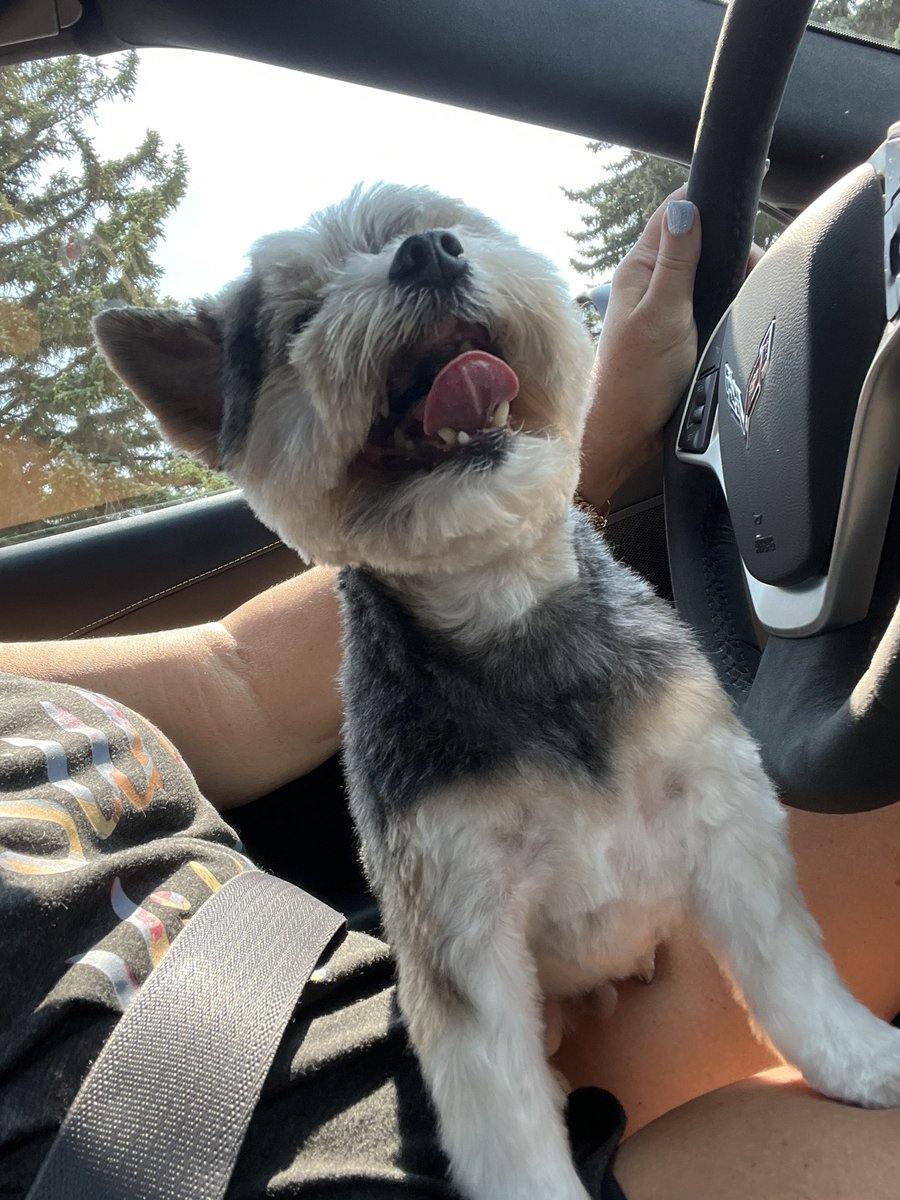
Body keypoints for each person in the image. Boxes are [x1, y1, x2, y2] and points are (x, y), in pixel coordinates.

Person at [2, 192, 899, 1199]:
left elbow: (236, 677)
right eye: (302, 324)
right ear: (227, 418)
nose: (423, 257)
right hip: (279, 1144)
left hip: (336, 970)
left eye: (433, 236)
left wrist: (598, 422)